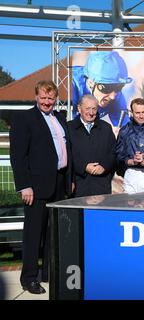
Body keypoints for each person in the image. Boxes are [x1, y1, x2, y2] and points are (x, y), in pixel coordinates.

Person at [9, 80, 71, 294]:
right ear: (36, 97)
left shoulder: (60, 118)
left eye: (50, 98)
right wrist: (24, 186)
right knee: (33, 235)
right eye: (43, 98)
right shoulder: (25, 118)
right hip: (35, 187)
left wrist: (69, 179)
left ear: (55, 99)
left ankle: (48, 274)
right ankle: (29, 278)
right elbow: (17, 156)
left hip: (59, 183)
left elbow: (65, 150)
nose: (47, 102)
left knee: (53, 235)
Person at [67, 94, 116, 197]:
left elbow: (113, 152)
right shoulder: (69, 128)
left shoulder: (106, 128)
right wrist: (84, 167)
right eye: (87, 108)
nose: (91, 112)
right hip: (79, 185)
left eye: (94, 109)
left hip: (101, 185)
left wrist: (104, 166)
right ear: (79, 109)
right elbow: (67, 155)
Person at [72, 51, 132, 129]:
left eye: (119, 87)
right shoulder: (72, 88)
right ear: (90, 83)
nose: (113, 96)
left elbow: (126, 130)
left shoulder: (116, 96)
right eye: (107, 88)